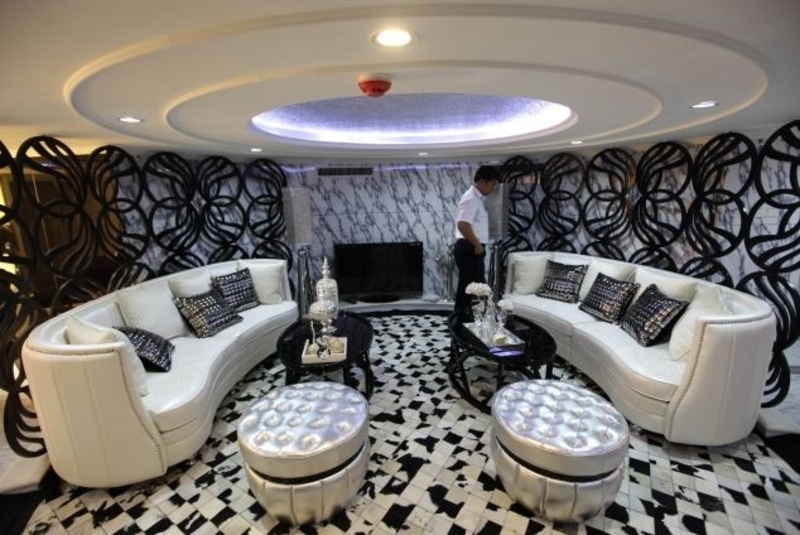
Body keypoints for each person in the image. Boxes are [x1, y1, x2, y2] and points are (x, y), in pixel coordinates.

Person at [453, 165, 500, 311]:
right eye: (492, 184)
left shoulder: (476, 198)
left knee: (471, 288)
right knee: (474, 289)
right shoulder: (471, 198)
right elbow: (462, 225)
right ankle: (464, 320)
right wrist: (478, 245)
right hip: (470, 247)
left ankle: (466, 319)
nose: (493, 188)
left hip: (471, 247)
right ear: (482, 182)